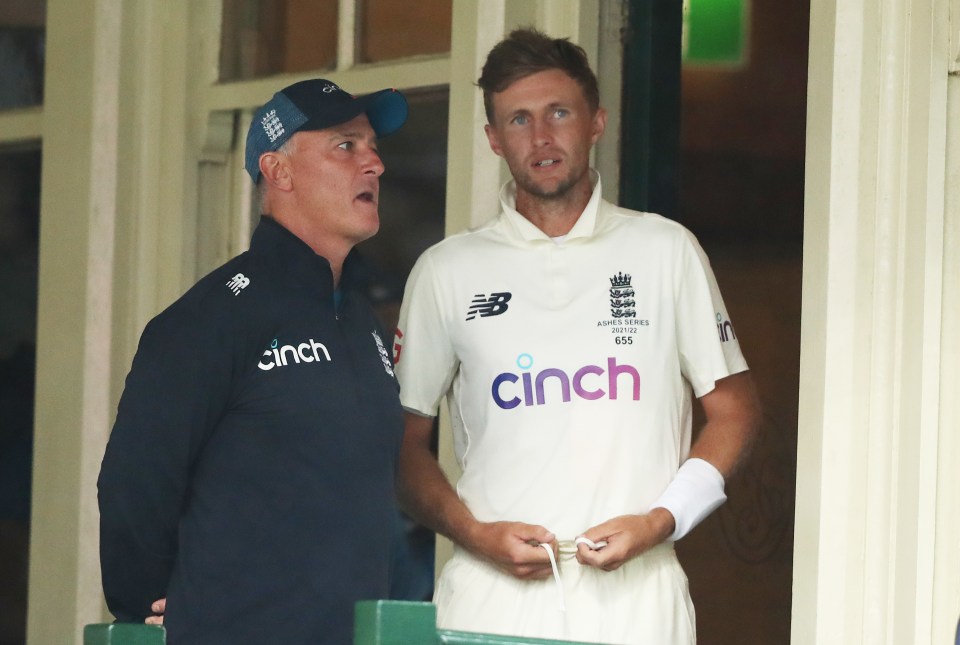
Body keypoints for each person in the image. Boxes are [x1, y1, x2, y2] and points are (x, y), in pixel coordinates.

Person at [393, 28, 761, 644]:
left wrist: (661, 521)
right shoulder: (445, 271)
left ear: (596, 121)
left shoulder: (665, 249)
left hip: (640, 604)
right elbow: (403, 448)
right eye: (518, 119)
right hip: (490, 604)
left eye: (559, 113)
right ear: (492, 138)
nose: (541, 137)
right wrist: (476, 535)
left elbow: (735, 411)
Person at [97, 78, 408, 645]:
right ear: (279, 170)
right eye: (346, 146)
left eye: (372, 146)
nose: (375, 164)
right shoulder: (208, 319)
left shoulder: (362, 319)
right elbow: (133, 487)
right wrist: (151, 610)